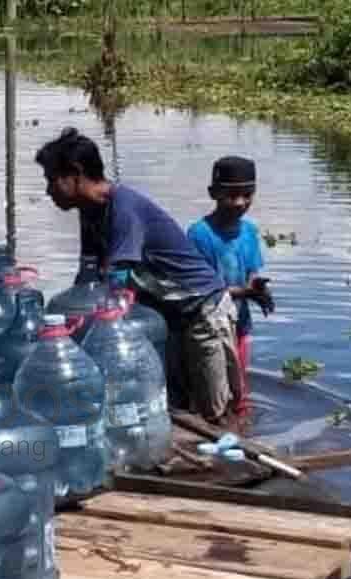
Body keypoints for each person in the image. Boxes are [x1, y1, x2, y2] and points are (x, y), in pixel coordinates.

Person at [34, 127, 241, 423]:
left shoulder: (123, 209)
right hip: (169, 313)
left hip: (203, 309)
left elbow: (116, 281)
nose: (48, 191)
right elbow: (88, 279)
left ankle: (232, 456)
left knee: (214, 409)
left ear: (76, 173)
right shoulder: (90, 212)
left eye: (52, 180)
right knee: (175, 402)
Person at [187, 156, 274, 416]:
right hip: (210, 328)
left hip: (240, 325)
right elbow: (202, 291)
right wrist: (245, 292)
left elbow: (251, 273)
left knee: (240, 392)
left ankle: (240, 431)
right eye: (231, 195)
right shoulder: (199, 234)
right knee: (213, 393)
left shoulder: (248, 231)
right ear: (213, 193)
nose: (240, 203)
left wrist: (257, 290)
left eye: (247, 195)